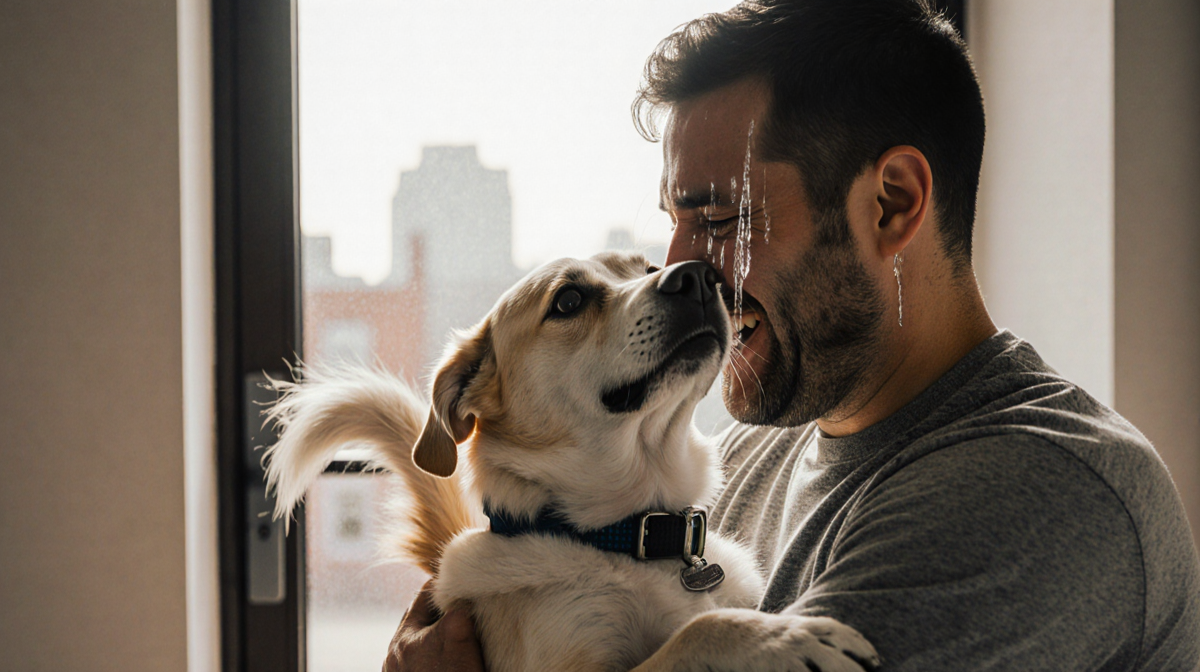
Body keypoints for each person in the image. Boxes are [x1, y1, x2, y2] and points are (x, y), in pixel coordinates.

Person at [384, 1, 1200, 669]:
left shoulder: (1035, 493)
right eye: (675, 222)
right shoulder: (744, 461)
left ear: (891, 205)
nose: (680, 267)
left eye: (724, 216)